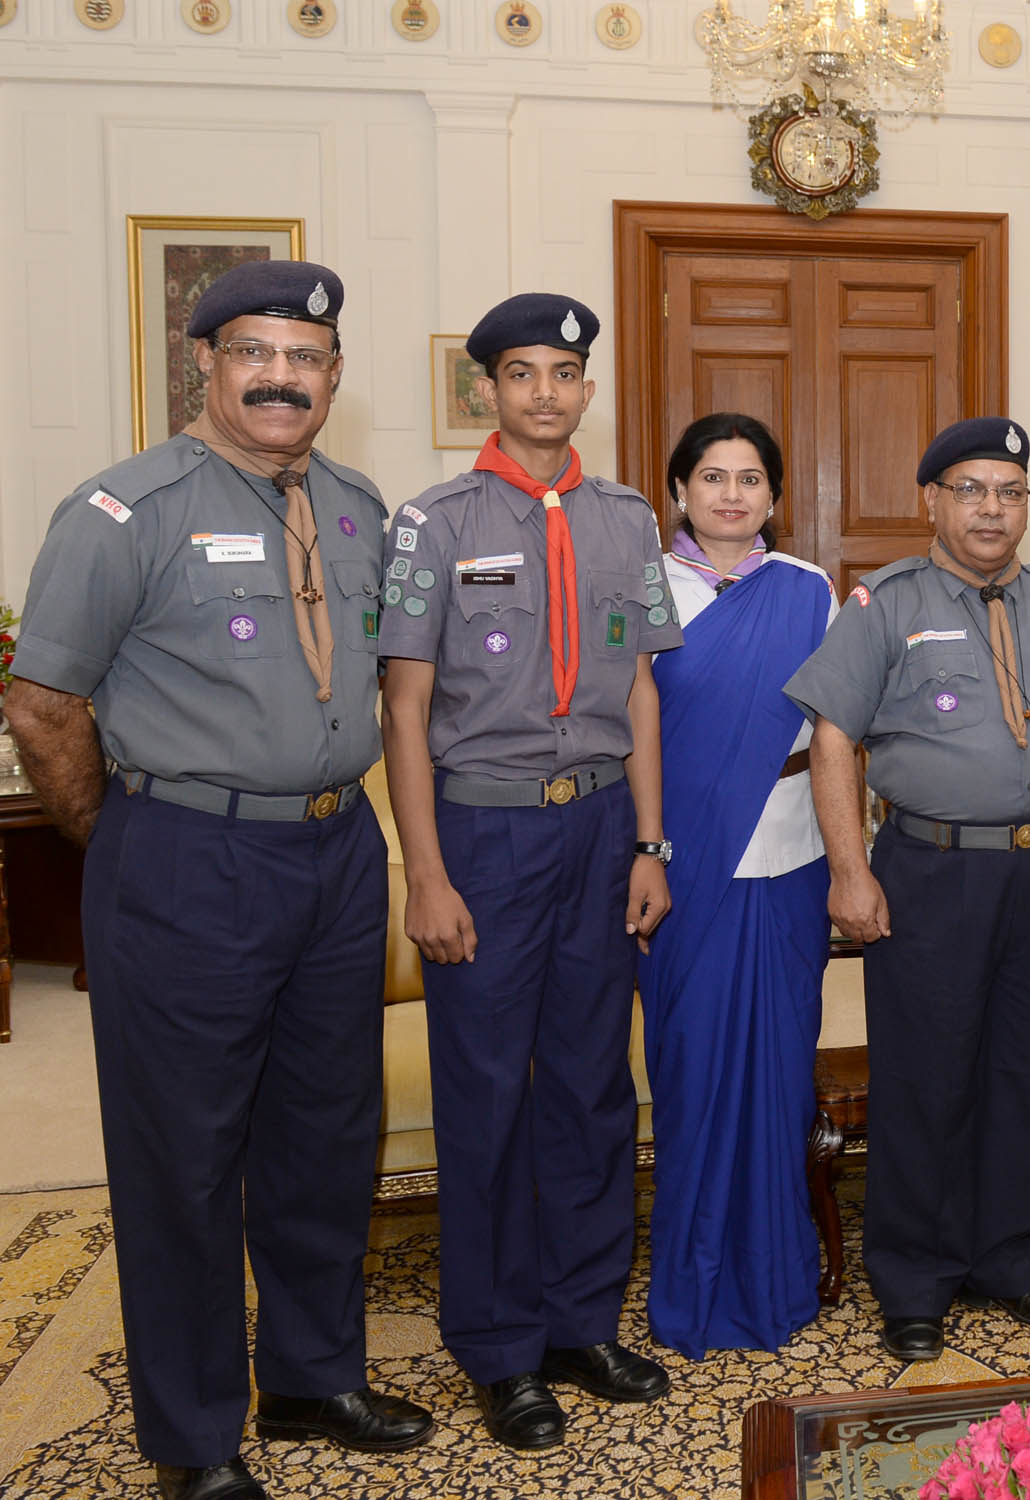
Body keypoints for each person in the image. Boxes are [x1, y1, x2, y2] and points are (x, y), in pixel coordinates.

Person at [6, 260, 433, 1500]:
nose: (282, 378)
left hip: (335, 857)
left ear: (336, 377)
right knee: (182, 1160)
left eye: (307, 359)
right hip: (186, 859)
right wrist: (132, 840)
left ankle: (311, 1379)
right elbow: (41, 709)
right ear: (207, 362)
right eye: (257, 352)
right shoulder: (120, 510)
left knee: (325, 1135)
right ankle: (193, 1440)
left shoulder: (358, 508)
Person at [379, 293, 682, 1453]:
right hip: (487, 841)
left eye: (565, 372)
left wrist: (651, 843)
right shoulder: (434, 521)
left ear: (587, 391)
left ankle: (579, 1320)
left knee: (593, 1089)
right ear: (488, 392)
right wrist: (428, 874)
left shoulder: (626, 519)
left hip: (602, 830)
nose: (546, 392)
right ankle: (501, 1349)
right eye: (522, 372)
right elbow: (405, 711)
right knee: (490, 1094)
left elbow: (643, 689)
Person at [783, 417, 1030, 1363]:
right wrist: (850, 871)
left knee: (1024, 1072)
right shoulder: (886, 604)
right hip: (930, 870)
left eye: (1009, 491)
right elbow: (832, 740)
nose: (991, 508)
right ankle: (915, 1277)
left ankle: (1009, 1258)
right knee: (925, 1078)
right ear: (932, 499)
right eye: (971, 489)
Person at [638, 412, 837, 1355]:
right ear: (678, 491)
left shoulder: (809, 590)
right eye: (711, 477)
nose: (730, 494)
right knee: (692, 1069)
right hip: (681, 859)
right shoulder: (641, 586)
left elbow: (834, 733)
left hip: (789, 859)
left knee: (779, 1077)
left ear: (775, 496)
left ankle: (776, 1279)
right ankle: (693, 1284)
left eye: (751, 478)